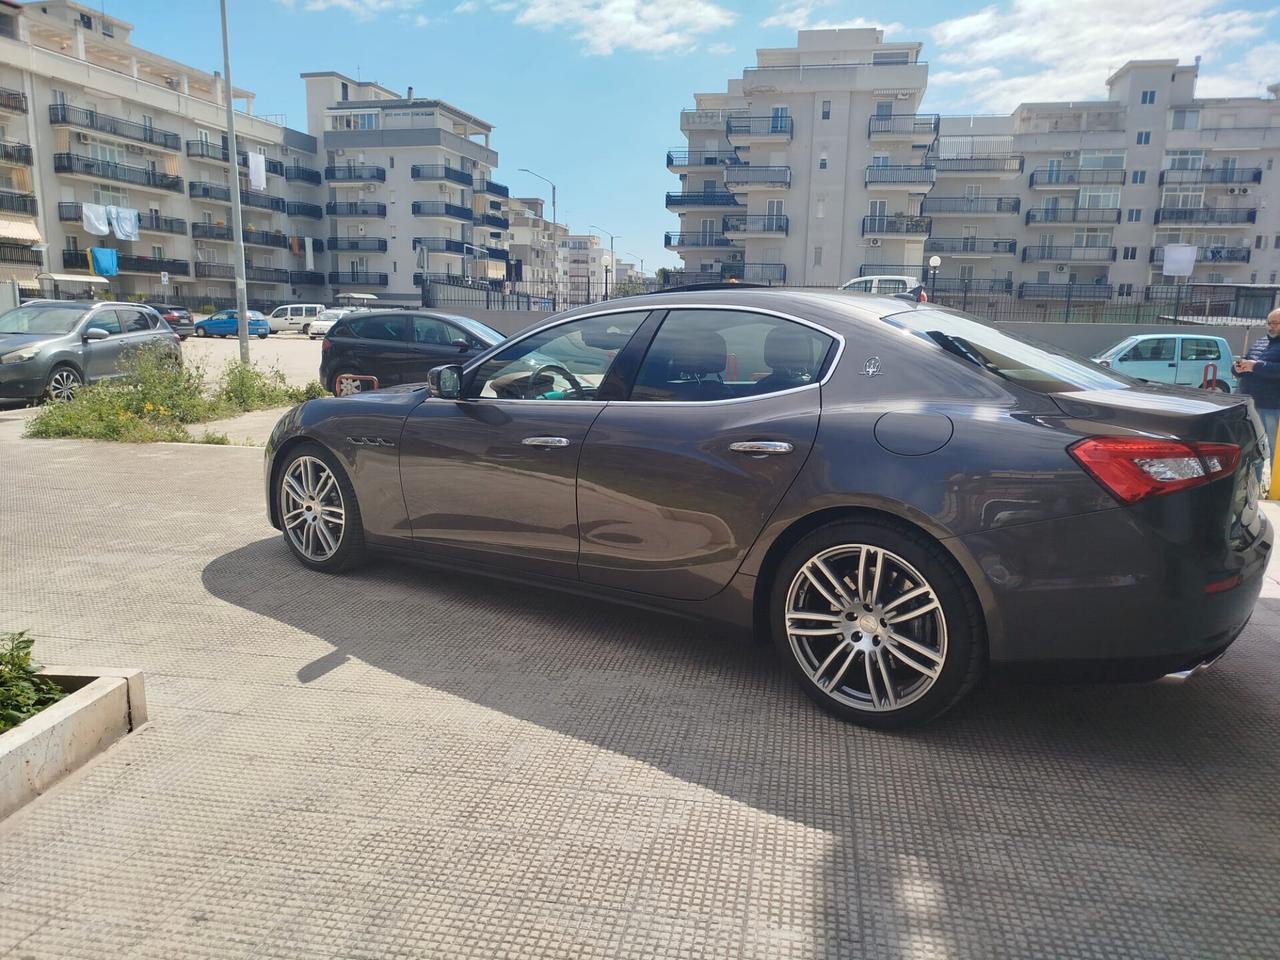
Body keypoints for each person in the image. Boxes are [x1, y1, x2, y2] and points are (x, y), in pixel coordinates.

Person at [1234, 307, 1280, 461]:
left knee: (1273, 447)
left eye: (1275, 323)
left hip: (1271, 406)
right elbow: (1247, 360)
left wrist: (1256, 366)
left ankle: (1275, 477)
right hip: (1248, 403)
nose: (1270, 327)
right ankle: (1254, 476)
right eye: (1268, 323)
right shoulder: (1261, 341)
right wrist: (1238, 368)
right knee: (1252, 447)